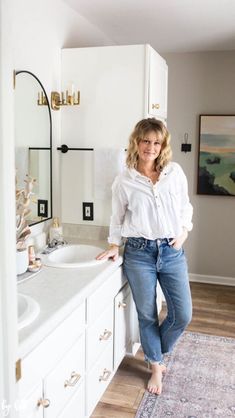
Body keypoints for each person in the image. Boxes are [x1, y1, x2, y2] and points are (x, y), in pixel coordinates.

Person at [96, 118, 193, 395]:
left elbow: (186, 206)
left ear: (162, 145)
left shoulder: (174, 173)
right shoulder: (124, 179)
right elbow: (117, 217)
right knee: (147, 315)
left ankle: (156, 354)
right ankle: (155, 368)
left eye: (156, 142)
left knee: (183, 314)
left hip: (172, 250)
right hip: (139, 252)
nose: (151, 146)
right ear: (136, 142)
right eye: (146, 140)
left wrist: (184, 232)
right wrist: (114, 245)